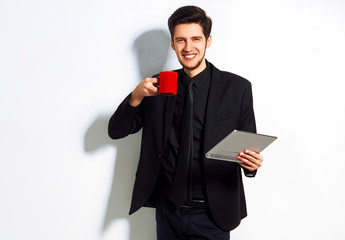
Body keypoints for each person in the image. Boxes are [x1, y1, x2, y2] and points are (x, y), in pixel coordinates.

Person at [108, 5, 263, 240]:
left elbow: (247, 147)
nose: (188, 47)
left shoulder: (237, 88)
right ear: (172, 44)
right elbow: (116, 131)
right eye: (180, 40)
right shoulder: (156, 87)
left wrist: (251, 166)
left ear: (208, 41)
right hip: (167, 211)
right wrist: (136, 95)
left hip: (213, 214)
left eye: (195, 39)